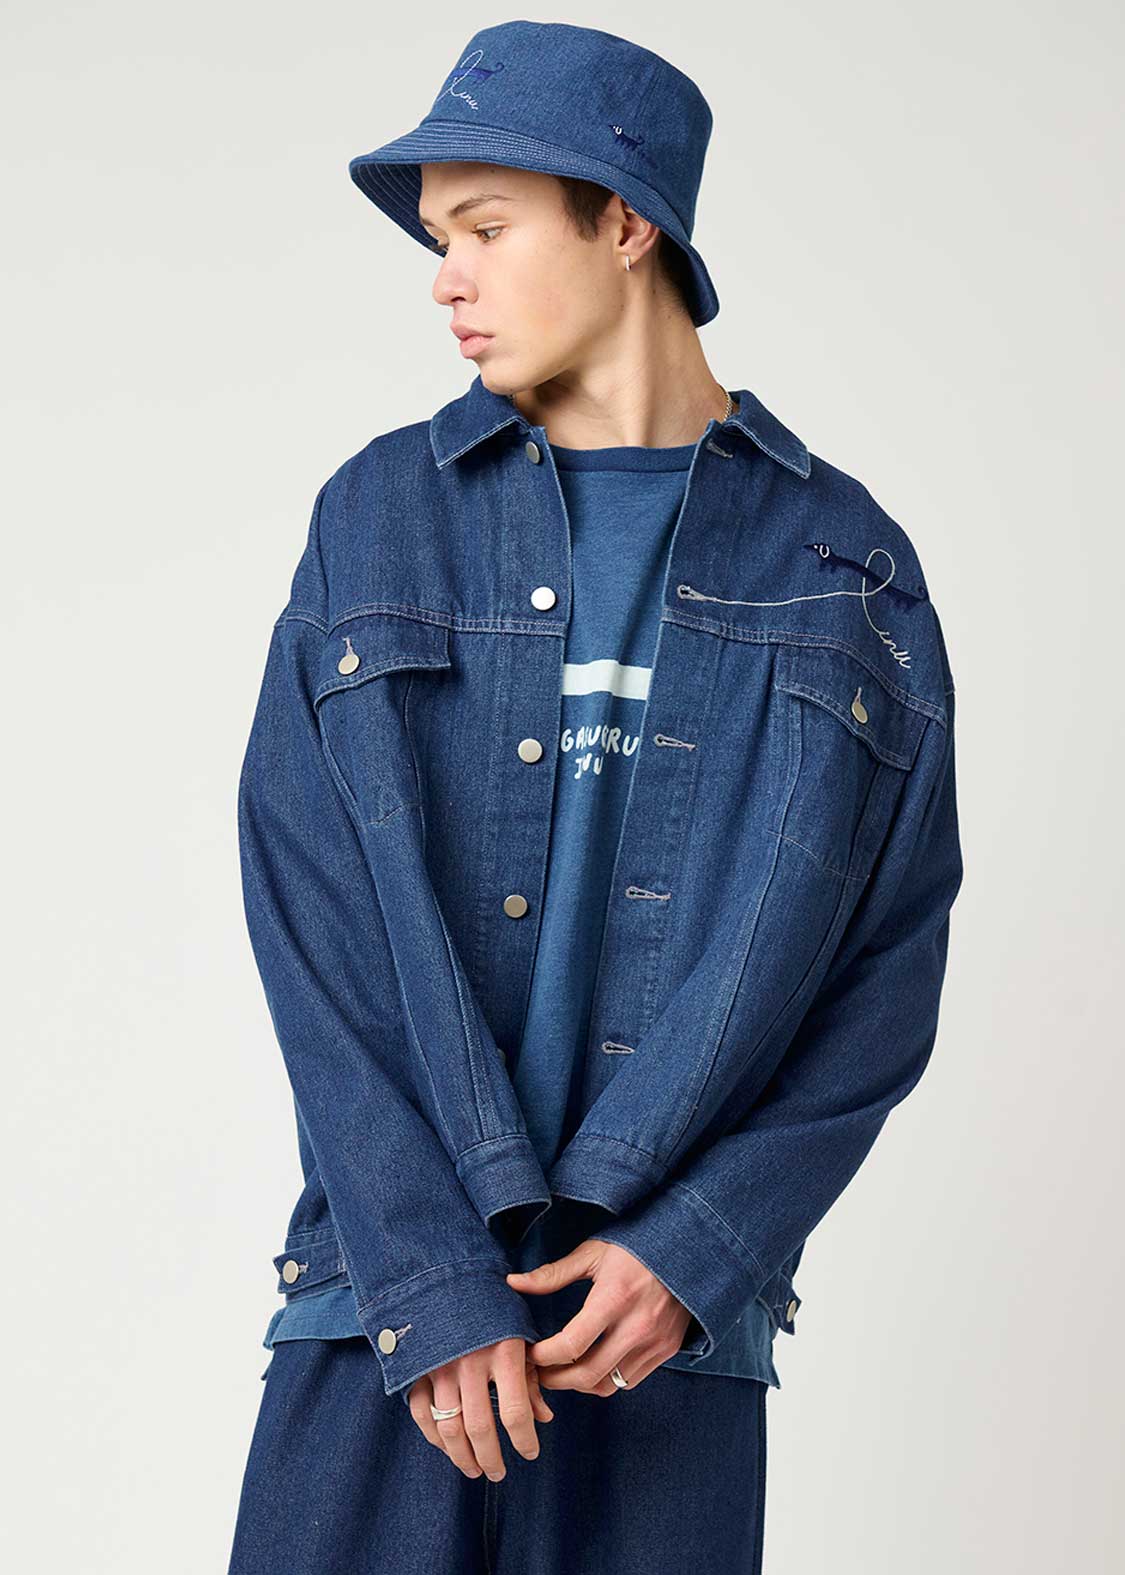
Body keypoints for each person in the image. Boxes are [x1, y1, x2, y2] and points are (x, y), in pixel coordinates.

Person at [227, 21, 963, 1574]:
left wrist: (704, 1246)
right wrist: (426, 1278)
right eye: (438, 241)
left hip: (654, 1346)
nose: (445, 280)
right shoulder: (381, 517)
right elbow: (313, 918)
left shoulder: (845, 571)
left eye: (485, 229)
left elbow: (885, 970)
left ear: (624, 224)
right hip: (384, 1317)